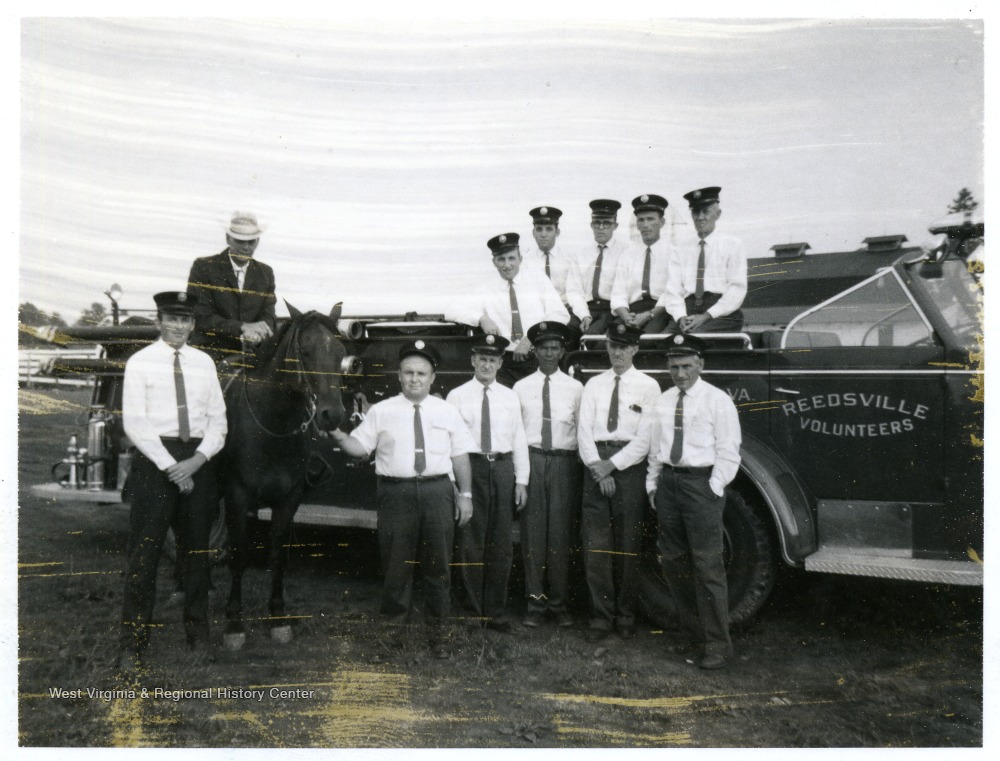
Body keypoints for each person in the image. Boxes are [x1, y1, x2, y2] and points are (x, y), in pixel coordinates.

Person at [329, 341, 476, 659]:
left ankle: (439, 640)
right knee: (397, 569)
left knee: (439, 570)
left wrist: (465, 495)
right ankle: (391, 639)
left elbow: (460, 456)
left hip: (438, 493)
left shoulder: (447, 411)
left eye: (421, 373)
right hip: (396, 495)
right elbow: (360, 448)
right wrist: (338, 435)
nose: (414, 379)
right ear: (399, 375)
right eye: (408, 372)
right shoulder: (382, 411)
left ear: (432, 377)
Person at [118, 291, 227, 672]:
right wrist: (171, 467)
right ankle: (132, 646)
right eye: (171, 318)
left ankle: (199, 637)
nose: (178, 326)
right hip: (154, 463)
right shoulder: (140, 362)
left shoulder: (205, 362)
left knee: (197, 554)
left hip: (198, 462)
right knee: (144, 555)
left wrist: (197, 461)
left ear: (193, 324)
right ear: (159, 320)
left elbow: (218, 421)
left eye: (185, 320)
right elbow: (135, 423)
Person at [646, 333, 741, 669]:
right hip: (669, 485)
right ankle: (693, 636)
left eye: (687, 365)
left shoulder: (718, 401)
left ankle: (718, 644)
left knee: (707, 567)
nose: (680, 373)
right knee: (674, 564)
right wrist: (653, 485)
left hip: (700, 486)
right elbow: (657, 447)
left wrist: (714, 488)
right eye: (674, 367)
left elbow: (730, 451)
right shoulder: (664, 400)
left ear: (700, 364)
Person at [577, 319, 661, 642]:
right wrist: (598, 467)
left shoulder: (648, 387)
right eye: (613, 346)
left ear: (635, 349)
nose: (618, 353)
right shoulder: (594, 385)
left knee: (628, 545)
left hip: (628, 468)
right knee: (596, 545)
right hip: (595, 465)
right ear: (607, 347)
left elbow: (644, 440)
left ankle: (626, 614)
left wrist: (612, 466)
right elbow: (584, 432)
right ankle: (601, 615)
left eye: (624, 347)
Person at [446, 334, 529, 632]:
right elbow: (451, 442)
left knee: (501, 544)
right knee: (471, 542)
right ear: (472, 360)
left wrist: (522, 480)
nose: (486, 364)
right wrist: (455, 483)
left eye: (492, 359)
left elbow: (519, 438)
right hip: (472, 468)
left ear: (500, 362)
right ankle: (470, 611)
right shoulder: (456, 396)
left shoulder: (509, 396)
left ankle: (495, 611)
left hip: (503, 468)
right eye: (482, 358)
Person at [513, 321, 584, 629]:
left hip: (563, 464)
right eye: (543, 348)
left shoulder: (576, 388)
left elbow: (582, 432)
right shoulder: (521, 387)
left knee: (560, 535)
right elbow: (517, 435)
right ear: (535, 351)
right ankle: (534, 603)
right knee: (533, 537)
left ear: (563, 351)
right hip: (533, 459)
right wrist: (522, 477)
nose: (549, 354)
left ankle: (558, 603)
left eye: (555, 348)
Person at [446, 232, 569, 386]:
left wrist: (531, 338)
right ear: (494, 262)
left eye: (511, 258)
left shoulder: (538, 281)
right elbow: (451, 311)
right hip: (503, 364)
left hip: (535, 359)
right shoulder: (487, 289)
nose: (507, 264)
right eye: (501, 259)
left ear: (520, 259)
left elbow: (560, 314)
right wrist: (482, 319)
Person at [187, 211, 277, 362]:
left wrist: (258, 333)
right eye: (240, 241)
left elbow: (268, 315)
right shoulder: (204, 267)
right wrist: (242, 327)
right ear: (228, 239)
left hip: (254, 353)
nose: (246, 247)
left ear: (257, 242)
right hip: (211, 353)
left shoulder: (265, 272)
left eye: (251, 242)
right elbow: (201, 315)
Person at [658, 187, 748, 333]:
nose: (700, 217)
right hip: (687, 311)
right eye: (695, 212)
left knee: (691, 339)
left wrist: (706, 316)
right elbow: (673, 289)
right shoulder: (680, 249)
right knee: (662, 342)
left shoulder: (733, 244)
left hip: (721, 313)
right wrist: (681, 316)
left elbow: (737, 289)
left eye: (705, 211)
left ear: (718, 214)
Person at [611, 194, 676, 333]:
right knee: (607, 342)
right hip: (632, 311)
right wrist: (626, 316)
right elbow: (618, 293)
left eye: (650, 219)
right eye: (641, 220)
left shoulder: (673, 253)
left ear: (662, 222)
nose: (645, 225)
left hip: (661, 310)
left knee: (647, 341)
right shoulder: (627, 254)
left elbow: (672, 292)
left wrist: (649, 315)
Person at [522, 206, 589, 338]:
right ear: (533, 233)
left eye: (549, 229)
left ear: (557, 232)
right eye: (539, 229)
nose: (543, 234)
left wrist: (584, 314)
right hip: (538, 315)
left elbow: (575, 293)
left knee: (569, 337)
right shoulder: (525, 261)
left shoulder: (569, 258)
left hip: (566, 313)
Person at [575, 199, 629, 335]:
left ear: (615, 226)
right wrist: (584, 315)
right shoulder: (580, 254)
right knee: (565, 333)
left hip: (611, 310)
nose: (601, 228)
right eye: (597, 223)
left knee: (591, 337)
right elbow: (574, 291)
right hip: (586, 309)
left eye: (606, 223)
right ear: (591, 225)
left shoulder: (626, 252)